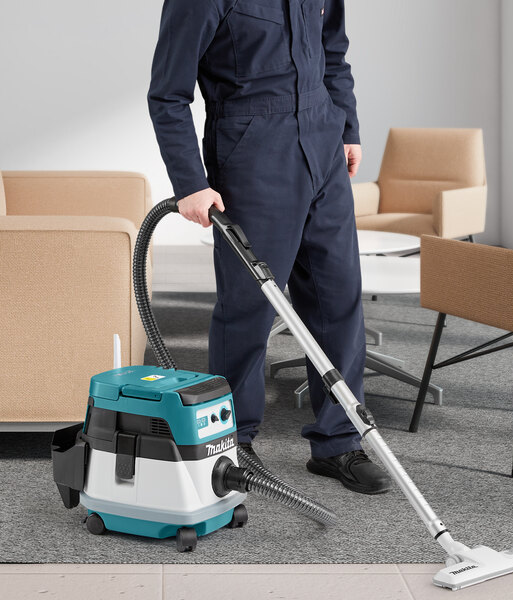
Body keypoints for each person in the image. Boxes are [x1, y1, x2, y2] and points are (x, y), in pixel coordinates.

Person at [148, 0, 391, 494]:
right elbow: (168, 95)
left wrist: (347, 128)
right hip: (252, 150)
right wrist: (190, 182)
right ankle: (231, 444)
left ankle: (338, 442)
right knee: (249, 307)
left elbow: (333, 54)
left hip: (323, 142)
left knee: (337, 298)